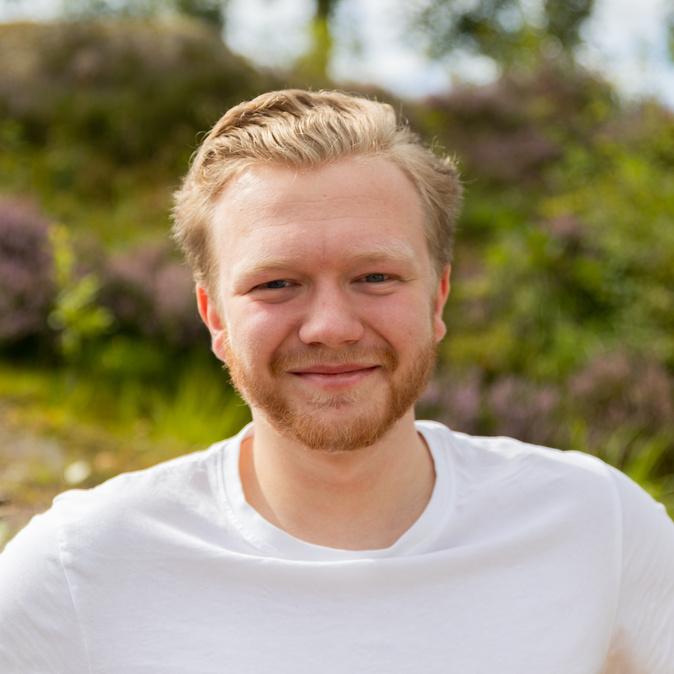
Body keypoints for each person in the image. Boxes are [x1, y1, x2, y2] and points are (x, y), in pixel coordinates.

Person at [1, 89, 672, 674]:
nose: (330, 326)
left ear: (437, 298)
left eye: (375, 276)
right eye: (276, 283)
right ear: (215, 317)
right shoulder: (79, 566)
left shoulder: (595, 524)